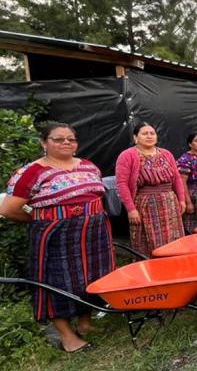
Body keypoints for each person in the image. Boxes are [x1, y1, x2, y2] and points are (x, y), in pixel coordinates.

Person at [1, 123, 114, 352]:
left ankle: (85, 323)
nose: (66, 143)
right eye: (58, 139)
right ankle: (68, 337)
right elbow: (8, 209)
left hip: (93, 233)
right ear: (44, 142)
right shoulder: (32, 172)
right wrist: (43, 221)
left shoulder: (88, 166)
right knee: (56, 282)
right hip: (55, 237)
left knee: (91, 277)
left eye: (71, 139)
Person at [115, 122, 185, 256]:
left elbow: (176, 178)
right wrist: (131, 209)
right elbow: (122, 184)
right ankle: (153, 270)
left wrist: (181, 200)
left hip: (170, 202)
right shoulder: (127, 155)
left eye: (152, 133)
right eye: (144, 133)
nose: (149, 136)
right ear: (135, 138)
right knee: (151, 240)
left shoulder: (166, 154)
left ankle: (174, 267)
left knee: (174, 237)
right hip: (146, 204)